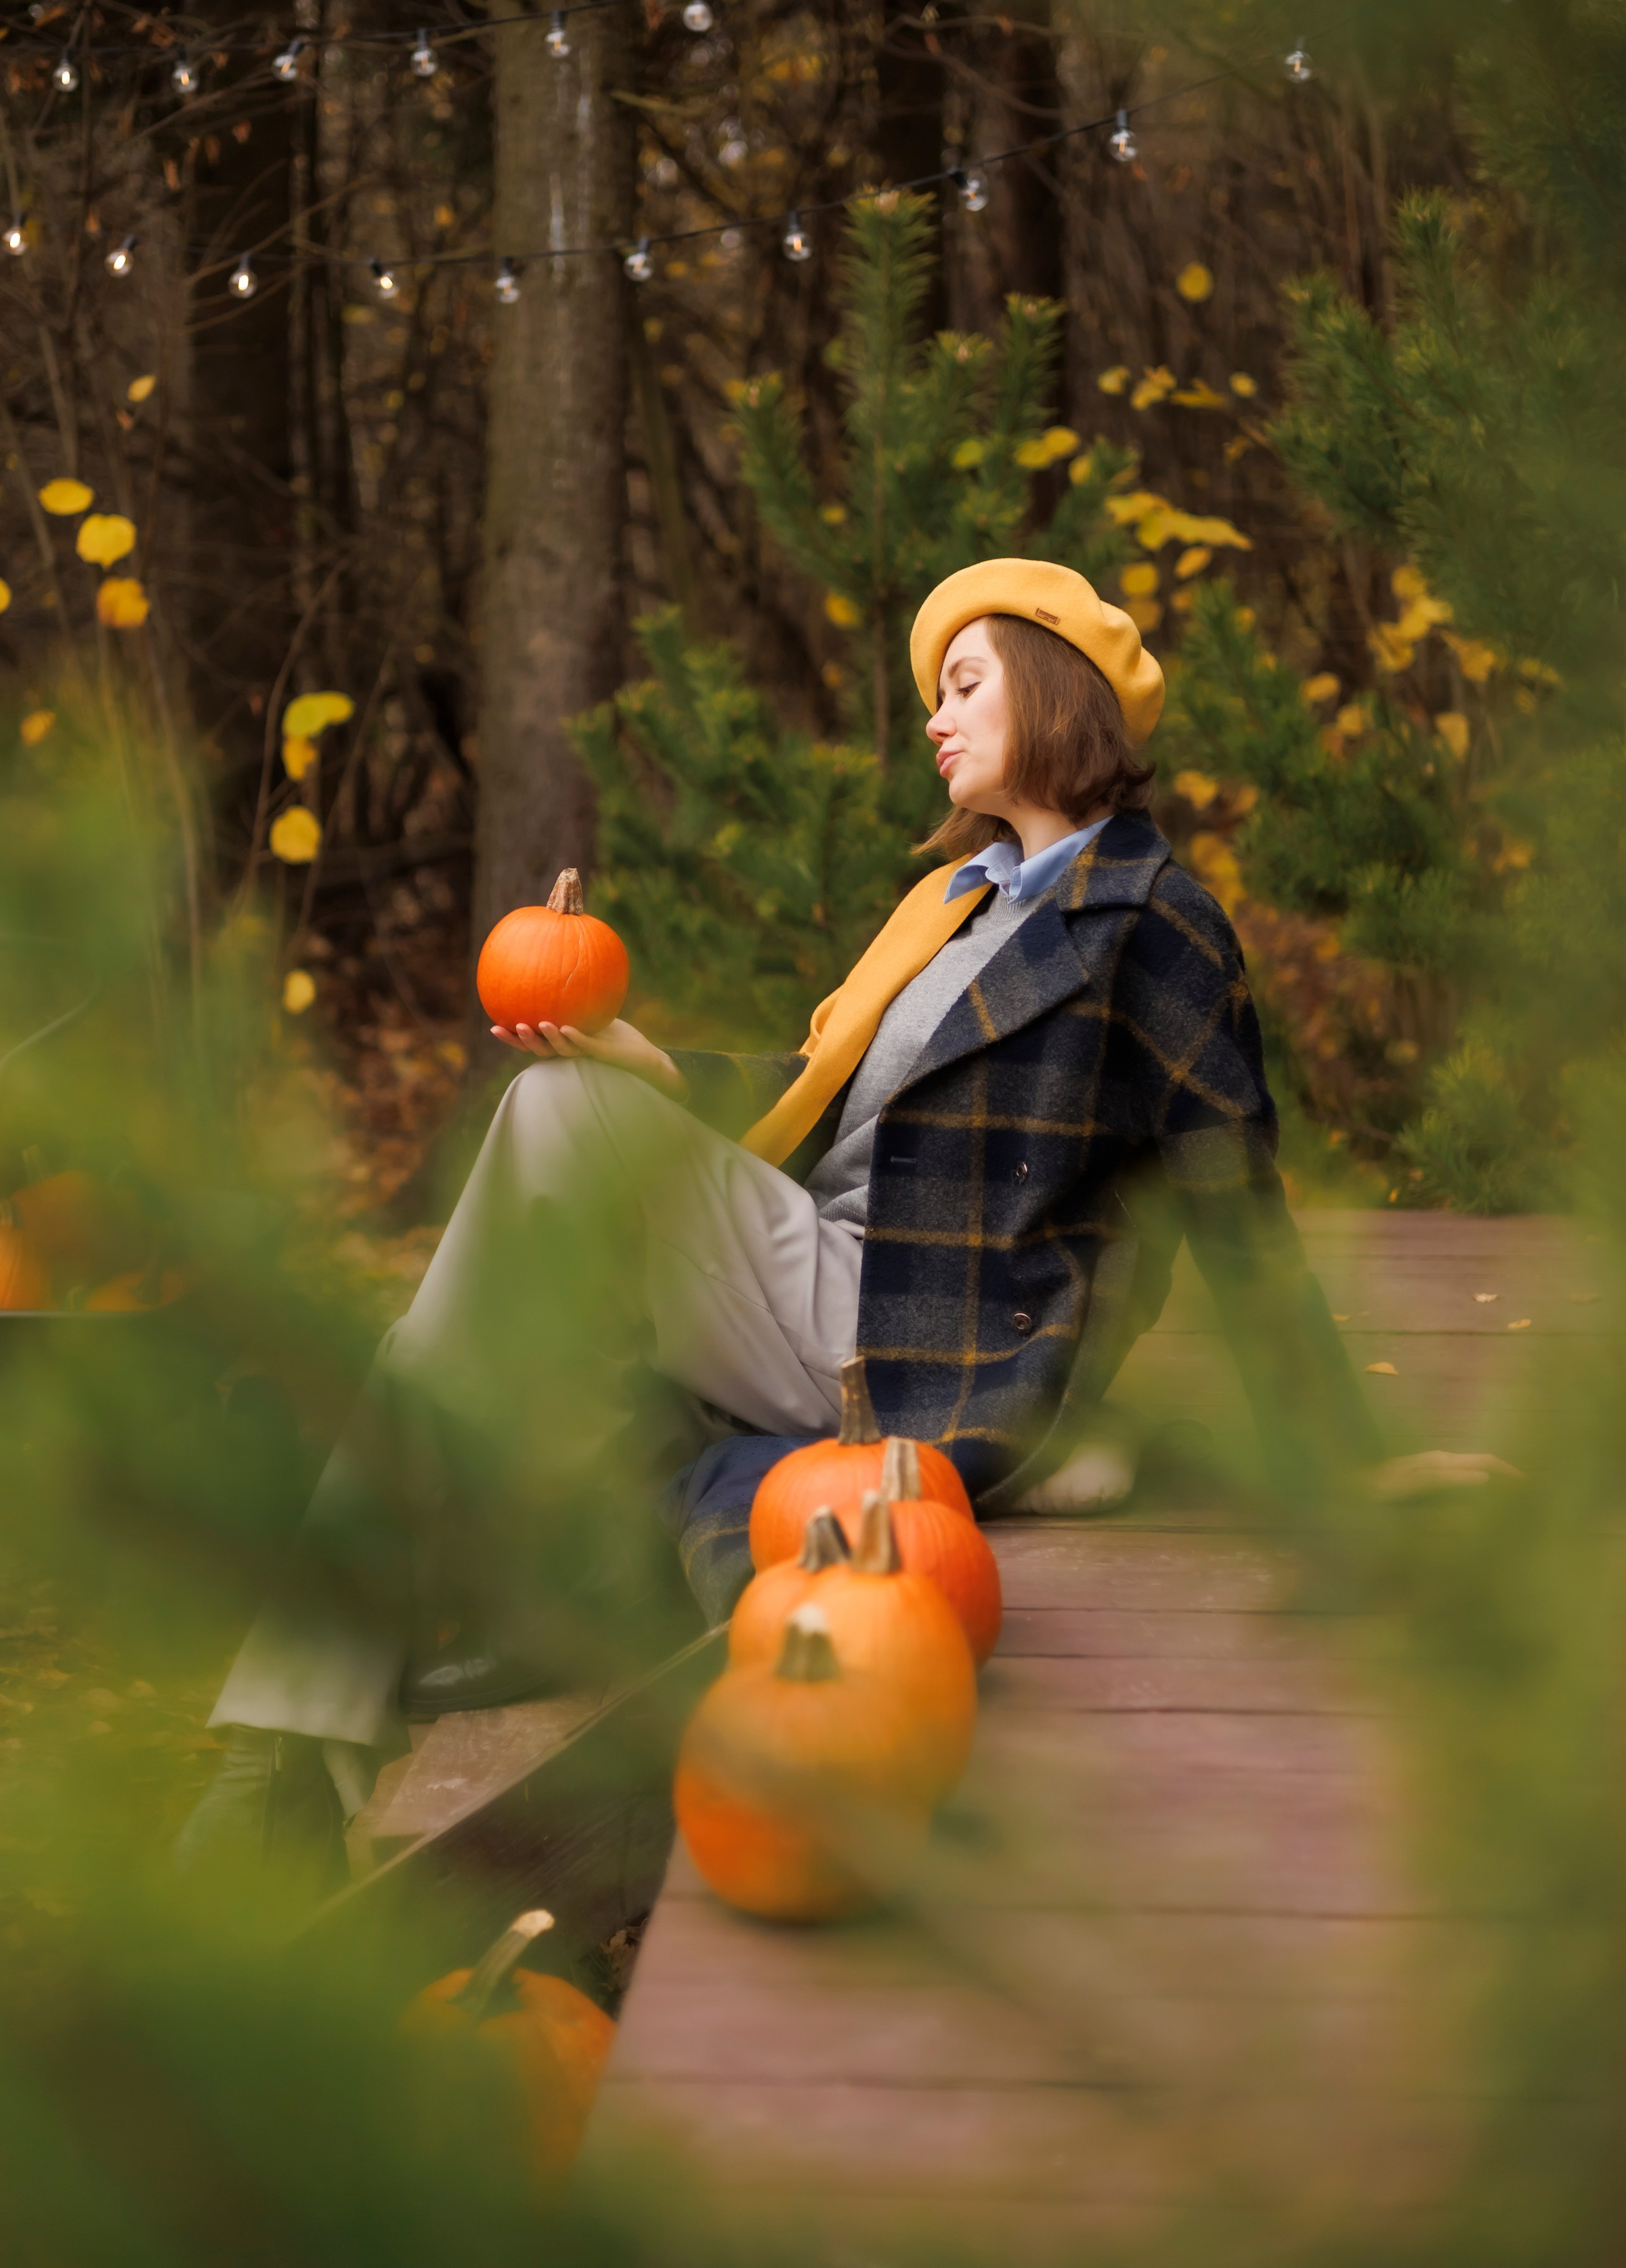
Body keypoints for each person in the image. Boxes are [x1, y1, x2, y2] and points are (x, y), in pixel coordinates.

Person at [183, 557, 1510, 1856]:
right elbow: (834, 1104)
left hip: (931, 1336)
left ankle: (307, 1723)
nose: (933, 714)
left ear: (1054, 693)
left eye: (964, 683)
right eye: (934, 691)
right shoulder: (948, 906)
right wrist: (659, 1071)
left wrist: (1343, 1460)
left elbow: (1231, 1199)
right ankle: (317, 1717)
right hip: (821, 1273)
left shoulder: (1150, 922)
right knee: (521, 1219)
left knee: (532, 1159)